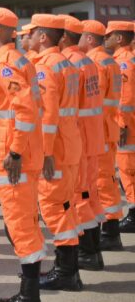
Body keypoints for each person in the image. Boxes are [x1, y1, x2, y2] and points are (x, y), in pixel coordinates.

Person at [0, 6, 46, 302]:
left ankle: (31, 301)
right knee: (22, 224)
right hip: (16, 155)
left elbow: (25, 111)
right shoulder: (14, 61)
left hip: (13, 160)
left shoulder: (6, 65)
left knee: (20, 226)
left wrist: (16, 152)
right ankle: (26, 291)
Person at [26, 14, 84, 292]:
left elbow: (48, 115)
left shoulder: (46, 68)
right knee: (66, 206)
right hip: (70, 143)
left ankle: (66, 271)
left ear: (43, 37)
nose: (29, 37)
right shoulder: (68, 65)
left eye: (33, 32)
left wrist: (46, 152)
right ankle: (68, 269)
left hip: (56, 148)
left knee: (53, 207)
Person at [58, 15, 105, 269]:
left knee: (80, 195)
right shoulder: (87, 62)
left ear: (64, 37)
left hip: (79, 138)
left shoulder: (69, 63)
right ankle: (94, 249)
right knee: (90, 192)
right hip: (92, 135)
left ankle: (88, 251)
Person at [83, 20, 124, 249]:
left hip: (98, 129)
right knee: (107, 179)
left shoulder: (96, 62)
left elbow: (92, 100)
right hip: (108, 127)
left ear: (89, 38)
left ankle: (109, 233)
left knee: (102, 182)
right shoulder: (110, 61)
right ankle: (111, 232)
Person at [105, 20, 135, 232]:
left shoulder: (123, 62)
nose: (105, 39)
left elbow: (126, 97)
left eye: (109, 35)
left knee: (127, 170)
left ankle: (133, 215)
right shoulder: (125, 59)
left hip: (128, 125)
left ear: (120, 38)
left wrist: (122, 124)